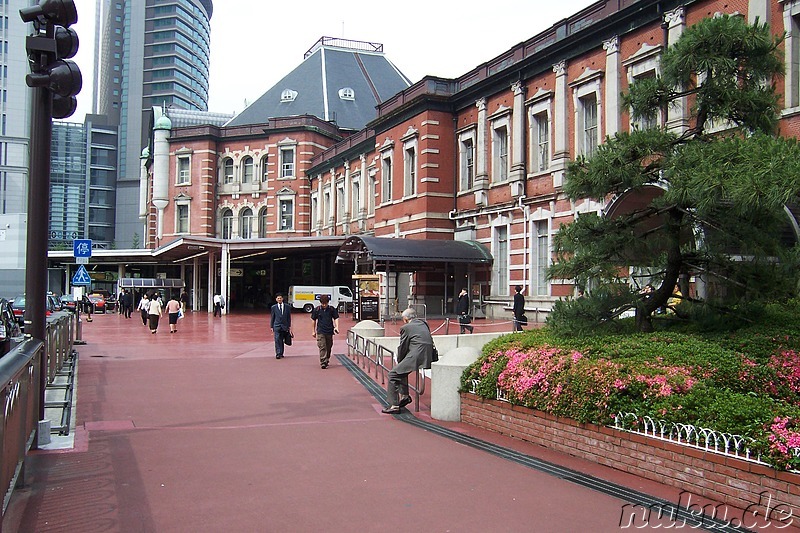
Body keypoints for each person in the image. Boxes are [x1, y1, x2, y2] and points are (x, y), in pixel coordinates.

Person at [381, 307, 433, 414]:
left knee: (392, 374)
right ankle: (404, 396)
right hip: (428, 355)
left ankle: (394, 405)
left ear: (405, 319)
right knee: (401, 371)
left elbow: (403, 347)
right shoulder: (424, 324)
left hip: (417, 355)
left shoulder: (406, 327)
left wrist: (400, 360)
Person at [311, 294, 340, 369]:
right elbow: (313, 320)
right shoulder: (317, 310)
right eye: (322, 303)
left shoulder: (331, 309)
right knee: (322, 346)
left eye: (325, 303)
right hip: (320, 331)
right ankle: (323, 362)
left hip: (329, 331)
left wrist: (337, 327)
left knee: (329, 346)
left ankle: (327, 359)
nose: (324, 305)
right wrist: (313, 331)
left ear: (328, 302)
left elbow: (336, 318)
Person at [270, 293, 292, 359]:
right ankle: (278, 353)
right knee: (277, 339)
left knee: (282, 339)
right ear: (276, 299)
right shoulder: (273, 307)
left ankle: (281, 353)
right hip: (276, 325)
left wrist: (289, 326)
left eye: (280, 298)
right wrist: (271, 326)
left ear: (282, 299)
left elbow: (289, 317)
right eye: (278, 298)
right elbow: (272, 317)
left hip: (284, 326)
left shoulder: (287, 307)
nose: (279, 299)